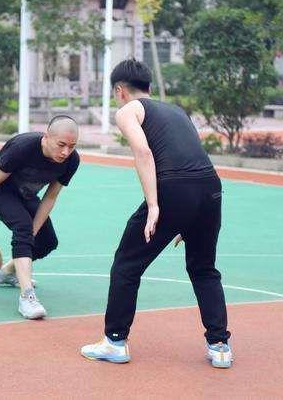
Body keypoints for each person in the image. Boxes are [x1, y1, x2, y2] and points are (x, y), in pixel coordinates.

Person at [80, 59, 233, 368]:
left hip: (175, 190)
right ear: (149, 87)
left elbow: (144, 152)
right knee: (203, 269)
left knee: (127, 263)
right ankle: (219, 346)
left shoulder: (127, 110)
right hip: (210, 188)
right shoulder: (176, 110)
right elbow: (190, 153)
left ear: (120, 90)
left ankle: (114, 341)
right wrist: (185, 218)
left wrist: (154, 206)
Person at [0, 116, 80, 320]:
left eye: (72, 146)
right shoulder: (22, 147)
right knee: (22, 226)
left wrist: (35, 231)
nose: (66, 152)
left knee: (47, 242)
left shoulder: (72, 160)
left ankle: (7, 272)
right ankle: (27, 297)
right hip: (0, 192)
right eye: (61, 145)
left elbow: (50, 196)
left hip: (26, 195)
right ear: (46, 137)